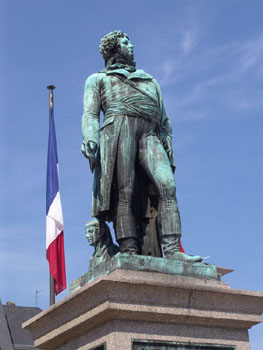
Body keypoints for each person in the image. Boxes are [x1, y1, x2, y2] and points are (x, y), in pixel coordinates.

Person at [82, 31, 201, 262]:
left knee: (168, 186)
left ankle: (173, 249)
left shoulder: (150, 80)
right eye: (126, 42)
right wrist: (90, 137)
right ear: (114, 48)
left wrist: (168, 143)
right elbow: (90, 113)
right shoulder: (97, 79)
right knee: (124, 191)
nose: (132, 45)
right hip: (119, 127)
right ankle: (129, 251)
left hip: (149, 132)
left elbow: (164, 118)